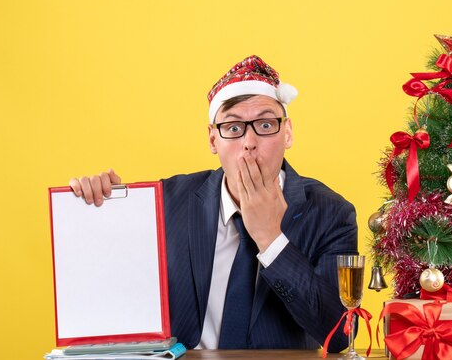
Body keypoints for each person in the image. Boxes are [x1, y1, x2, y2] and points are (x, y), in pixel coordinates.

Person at [69, 56, 358, 351]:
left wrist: (270, 239)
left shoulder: (332, 213)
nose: (249, 142)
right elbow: (116, 298)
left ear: (288, 133)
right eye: (233, 128)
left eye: (266, 124)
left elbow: (340, 334)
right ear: (212, 139)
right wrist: (100, 212)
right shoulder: (166, 203)